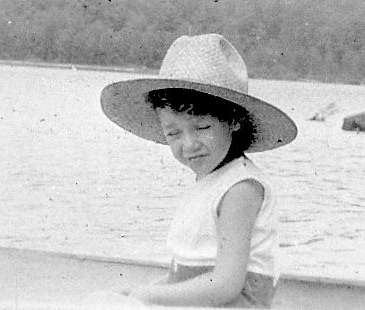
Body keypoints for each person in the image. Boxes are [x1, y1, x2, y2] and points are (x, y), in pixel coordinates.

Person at [100, 33, 298, 307]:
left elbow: (226, 285)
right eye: (173, 133)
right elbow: (182, 277)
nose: (189, 144)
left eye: (202, 127)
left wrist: (148, 296)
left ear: (234, 120)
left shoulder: (240, 188)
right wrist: (139, 292)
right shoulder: (209, 181)